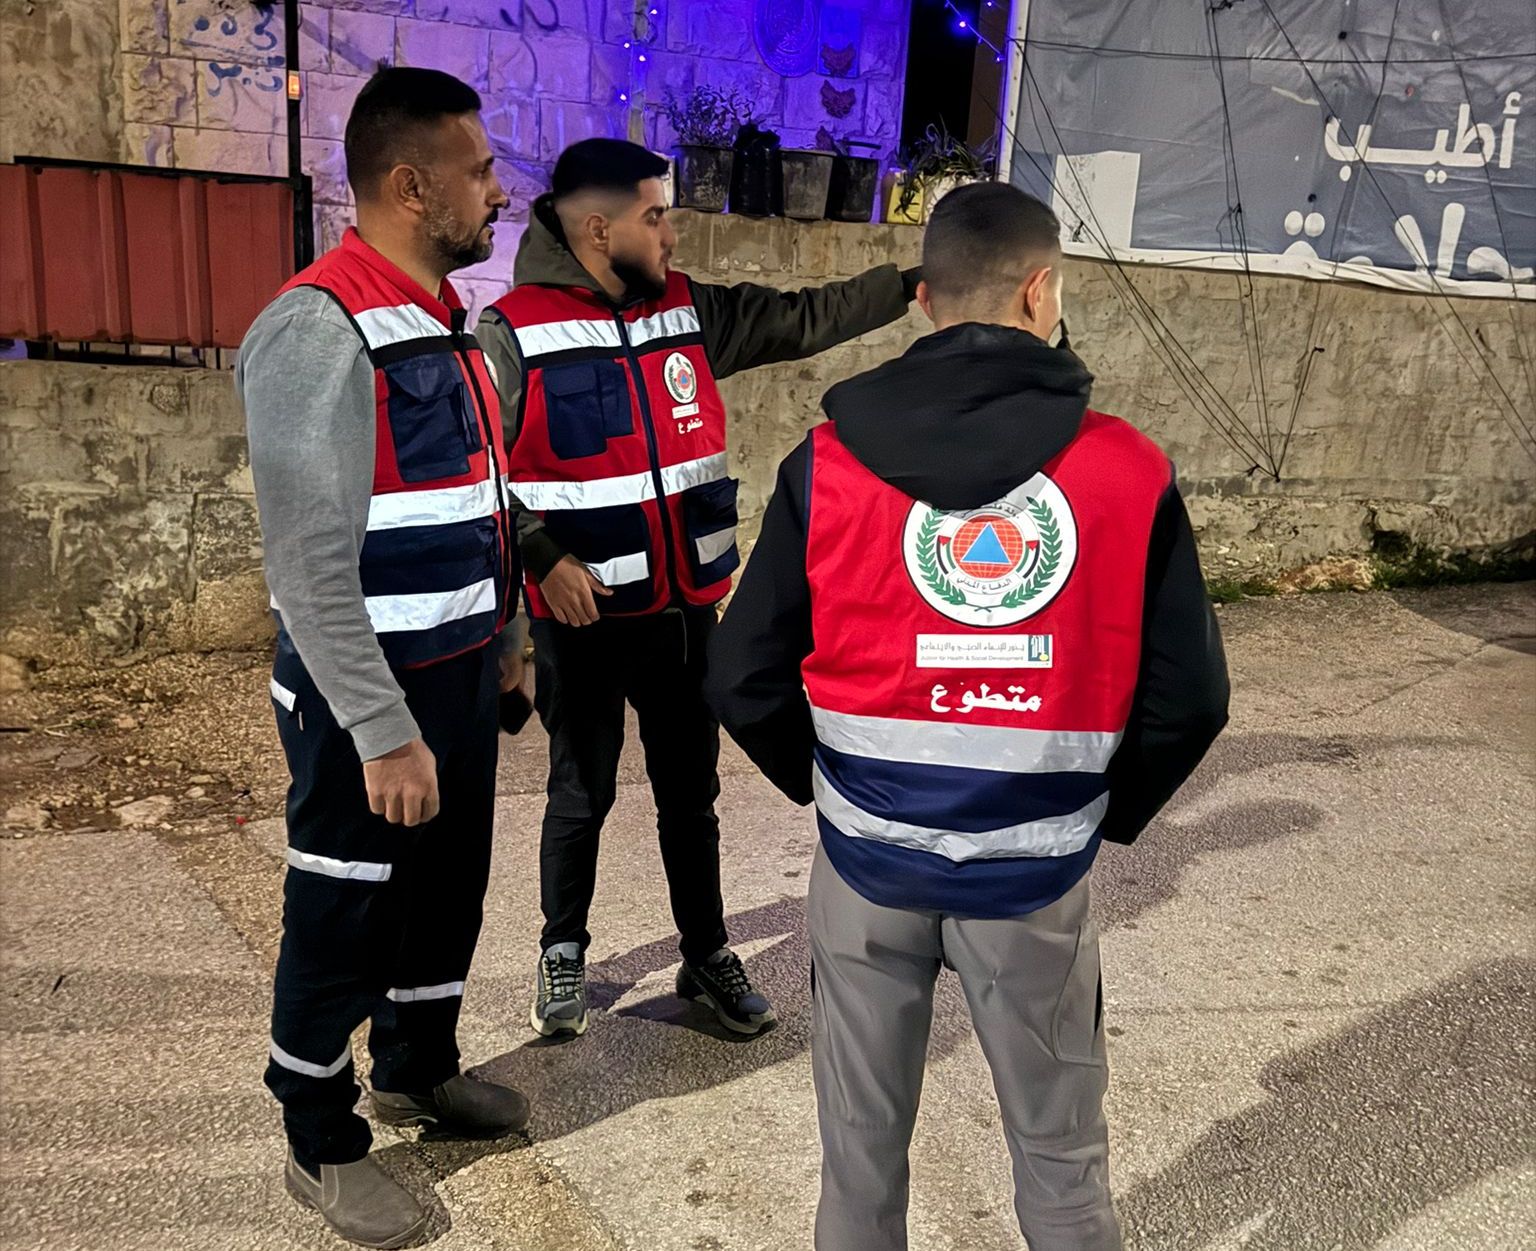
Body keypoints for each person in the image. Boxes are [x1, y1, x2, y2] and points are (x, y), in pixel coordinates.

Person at [704, 182, 1231, 1250]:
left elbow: (741, 673)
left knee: (858, 1174)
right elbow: (1193, 697)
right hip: (1031, 882)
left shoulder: (825, 463)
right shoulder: (1128, 470)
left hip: (865, 869)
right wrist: (1096, 813)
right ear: (1041, 291)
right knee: (1063, 1170)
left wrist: (834, 787)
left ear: (925, 300)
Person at [476, 138, 920, 1039]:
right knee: (580, 794)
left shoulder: (686, 309)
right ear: (597, 230)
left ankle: (706, 953)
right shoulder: (512, 333)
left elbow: (801, 318)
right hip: (583, 618)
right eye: (654, 217)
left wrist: (909, 284)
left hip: (683, 614)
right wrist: (540, 556)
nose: (671, 235)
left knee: (691, 794)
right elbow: (477, 471)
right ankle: (563, 950)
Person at [239, 67, 531, 1248]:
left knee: (445, 891)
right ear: (413, 187)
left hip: (458, 677)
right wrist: (381, 728)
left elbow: (481, 504)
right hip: (369, 696)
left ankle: (418, 1067)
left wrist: (507, 642)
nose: (499, 190)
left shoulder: (449, 322)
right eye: (480, 170)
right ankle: (318, 1135)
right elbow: (309, 564)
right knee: (345, 911)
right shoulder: (318, 328)